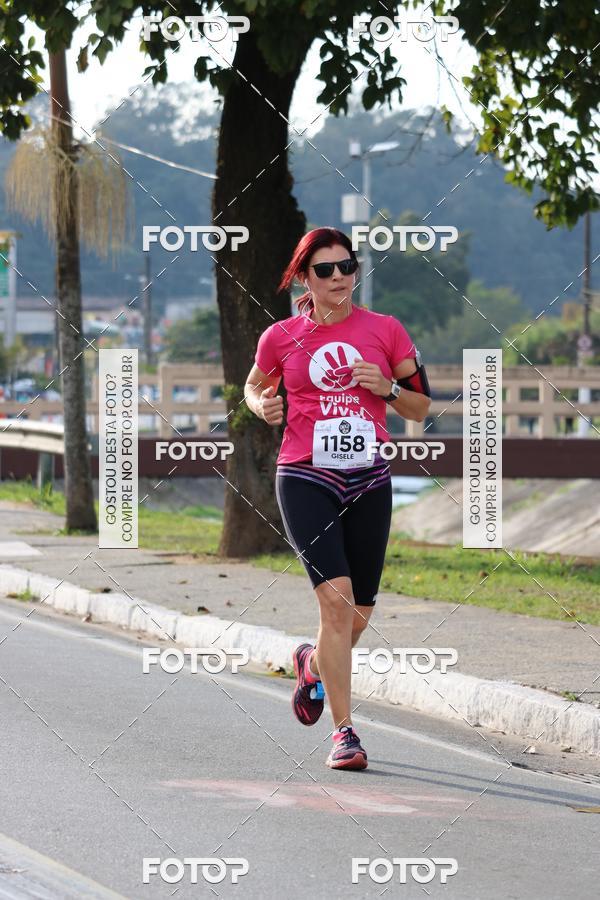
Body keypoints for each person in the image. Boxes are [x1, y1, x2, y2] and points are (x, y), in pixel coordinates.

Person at [244, 227, 431, 770]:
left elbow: (421, 408)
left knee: (360, 613)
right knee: (338, 600)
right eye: (325, 270)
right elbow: (254, 386)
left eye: (347, 267)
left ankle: (312, 665)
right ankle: (345, 734)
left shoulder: (386, 330)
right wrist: (262, 407)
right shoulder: (280, 337)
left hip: (368, 477)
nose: (339, 278)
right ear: (305, 277)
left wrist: (388, 389)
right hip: (306, 475)